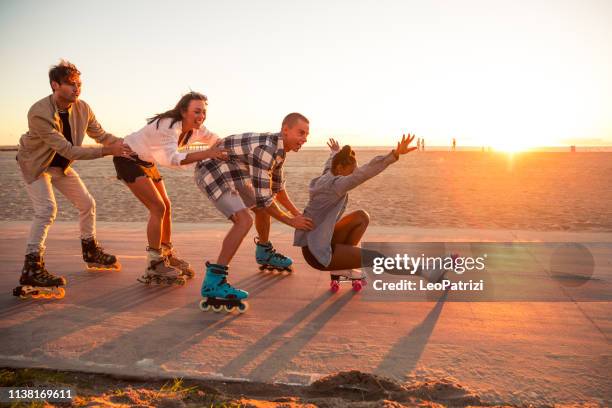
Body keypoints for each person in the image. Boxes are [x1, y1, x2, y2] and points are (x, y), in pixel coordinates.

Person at [15, 60, 131, 299]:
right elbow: (68, 149)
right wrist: (109, 151)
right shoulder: (39, 112)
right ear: (55, 85)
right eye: (70, 84)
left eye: (79, 83)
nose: (77, 88)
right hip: (36, 164)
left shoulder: (83, 108)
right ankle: (32, 267)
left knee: (87, 204)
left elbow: (101, 135)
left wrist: (127, 144)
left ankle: (90, 251)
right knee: (47, 210)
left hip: (60, 166)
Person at [194, 112, 314, 312]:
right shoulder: (267, 150)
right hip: (212, 169)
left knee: (261, 209)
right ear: (285, 130)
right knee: (244, 221)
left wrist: (296, 214)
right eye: (301, 133)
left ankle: (264, 252)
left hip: (234, 169)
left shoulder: (279, 151)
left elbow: (277, 190)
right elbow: (265, 199)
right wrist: (291, 222)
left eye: (307, 135)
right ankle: (214, 281)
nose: (304, 139)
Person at [113, 92, 228, 285]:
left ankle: (166, 253)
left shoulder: (196, 130)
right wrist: (207, 153)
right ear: (183, 111)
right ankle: (153, 264)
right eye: (196, 111)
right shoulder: (169, 125)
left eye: (203, 112)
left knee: (166, 205)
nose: (201, 116)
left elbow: (216, 140)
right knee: (157, 207)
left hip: (147, 162)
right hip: (127, 159)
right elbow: (172, 159)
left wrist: (234, 148)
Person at [294, 135, 416, 283]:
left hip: (316, 241)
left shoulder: (327, 176)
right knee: (377, 258)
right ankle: (426, 272)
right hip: (317, 253)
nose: (353, 175)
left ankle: (341, 267)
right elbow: (364, 173)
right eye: (351, 171)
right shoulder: (336, 185)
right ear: (340, 168)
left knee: (361, 217)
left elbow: (329, 164)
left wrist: (334, 152)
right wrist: (395, 154)